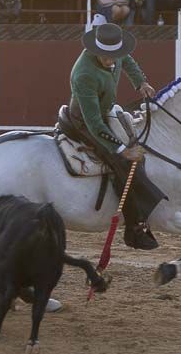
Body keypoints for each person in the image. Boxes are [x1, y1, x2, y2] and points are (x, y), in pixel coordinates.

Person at [66, 22, 160, 248]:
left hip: (106, 111)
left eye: (113, 56)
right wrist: (122, 150)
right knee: (121, 164)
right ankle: (134, 228)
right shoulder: (84, 74)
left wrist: (140, 81)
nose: (110, 61)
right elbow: (94, 123)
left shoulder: (115, 54)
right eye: (105, 57)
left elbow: (126, 60)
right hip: (84, 122)